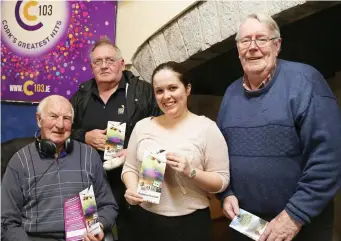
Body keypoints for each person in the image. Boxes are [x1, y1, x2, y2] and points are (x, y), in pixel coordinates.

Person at [217, 13, 341, 241]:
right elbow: (218, 154)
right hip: (246, 223)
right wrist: (226, 194)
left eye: (261, 39)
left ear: (277, 45)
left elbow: (329, 158)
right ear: (238, 49)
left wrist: (294, 216)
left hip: (298, 226)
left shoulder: (306, 82)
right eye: (245, 41)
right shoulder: (230, 93)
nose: (252, 47)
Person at [121, 61, 230, 241]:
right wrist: (132, 189)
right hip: (146, 220)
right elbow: (130, 168)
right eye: (160, 91)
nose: (166, 96)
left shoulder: (207, 128)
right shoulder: (142, 127)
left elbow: (222, 181)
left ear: (187, 89)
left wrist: (191, 171)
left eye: (173, 88)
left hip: (190, 224)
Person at [70, 37, 159, 240]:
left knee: (138, 233)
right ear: (92, 67)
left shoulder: (143, 91)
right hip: (90, 184)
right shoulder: (81, 95)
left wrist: (135, 151)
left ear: (121, 63)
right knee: (92, 235)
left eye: (110, 60)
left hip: (134, 180)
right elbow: (62, 131)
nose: (104, 66)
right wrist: (84, 136)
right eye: (98, 61)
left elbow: (162, 129)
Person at [1, 95, 118, 241]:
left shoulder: (89, 156)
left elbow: (108, 205)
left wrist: (99, 226)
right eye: (53, 116)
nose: (60, 125)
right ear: (39, 119)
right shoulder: (19, 161)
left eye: (66, 118)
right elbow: (6, 219)